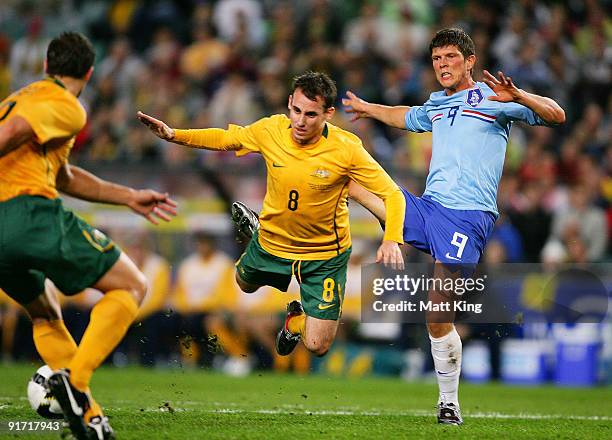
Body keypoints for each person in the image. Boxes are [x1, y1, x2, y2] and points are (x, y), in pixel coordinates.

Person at [342, 28, 565, 425]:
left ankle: (449, 402)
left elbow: (556, 115)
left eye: (450, 57)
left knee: (437, 316)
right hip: (430, 207)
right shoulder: (437, 104)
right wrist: (367, 107)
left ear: (469, 60)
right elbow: (406, 117)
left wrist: (521, 97)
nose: (443, 65)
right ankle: (280, 240)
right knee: (348, 181)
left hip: (468, 217)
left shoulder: (494, 98)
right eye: (437, 59)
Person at [137, 71, 405, 360]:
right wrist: (175, 135)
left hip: (324, 255)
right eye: (296, 110)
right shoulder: (272, 129)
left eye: (311, 115)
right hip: (275, 241)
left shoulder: (347, 149)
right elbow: (229, 138)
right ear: (289, 103)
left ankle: (296, 320)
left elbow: (393, 194)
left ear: (329, 113)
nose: (300, 121)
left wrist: (391, 239)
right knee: (244, 284)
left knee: (318, 345)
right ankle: (257, 233)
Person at [0, 32, 177, 440]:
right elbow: (12, 133)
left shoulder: (24, 96)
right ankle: (77, 384)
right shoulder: (67, 106)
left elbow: (64, 176)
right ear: (90, 73)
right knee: (131, 285)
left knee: (45, 313)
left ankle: (91, 419)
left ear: (46, 65)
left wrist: (129, 196)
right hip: (29, 213)